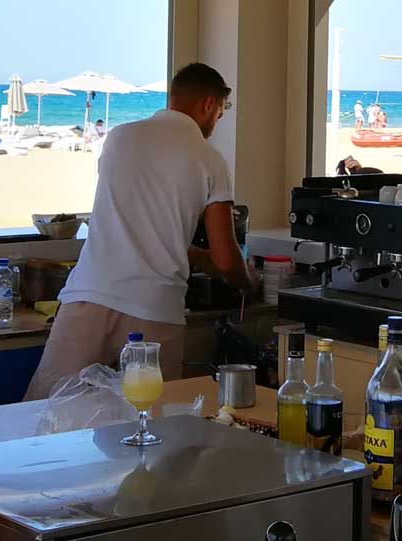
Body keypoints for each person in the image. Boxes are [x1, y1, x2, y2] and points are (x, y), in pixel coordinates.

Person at [24, 62, 252, 398]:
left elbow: (143, 232)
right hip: (154, 310)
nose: (217, 121)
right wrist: (247, 282)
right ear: (208, 105)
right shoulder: (209, 159)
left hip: (90, 296)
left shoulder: (120, 137)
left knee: (45, 413)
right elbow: (225, 259)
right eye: (221, 111)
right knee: (155, 426)